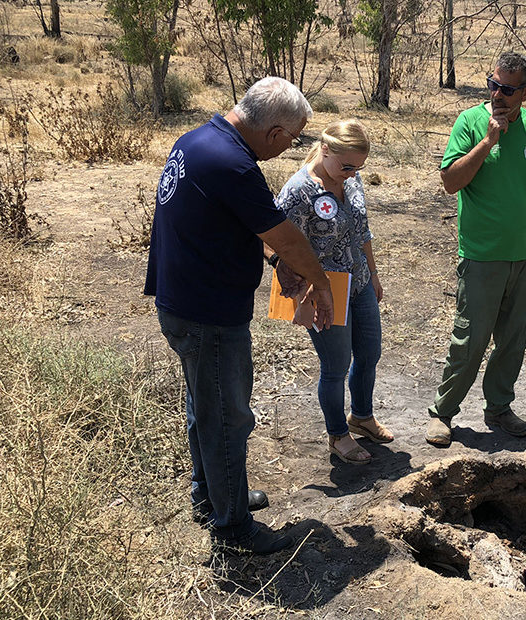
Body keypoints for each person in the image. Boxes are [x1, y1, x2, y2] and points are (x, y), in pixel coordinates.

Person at [145, 77, 334, 555]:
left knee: (203, 407)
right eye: (291, 139)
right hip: (207, 313)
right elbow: (287, 235)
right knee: (227, 417)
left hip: (183, 302)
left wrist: (274, 265)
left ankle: (212, 497)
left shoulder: (198, 142)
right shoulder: (234, 164)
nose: (289, 148)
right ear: (273, 132)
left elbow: (230, 224)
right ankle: (232, 528)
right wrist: (319, 280)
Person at [425, 51, 526, 447]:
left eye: (507, 88)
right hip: (481, 254)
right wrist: (489, 140)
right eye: (493, 84)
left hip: (523, 253)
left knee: (515, 337)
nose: (497, 94)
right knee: (470, 339)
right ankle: (442, 412)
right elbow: (450, 182)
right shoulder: (470, 122)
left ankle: (499, 408)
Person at [272, 119, 390, 466]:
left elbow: (363, 231)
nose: (352, 174)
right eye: (347, 166)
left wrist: (375, 274)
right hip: (324, 290)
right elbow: (275, 239)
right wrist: (298, 285)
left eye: (359, 168)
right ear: (325, 150)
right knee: (336, 365)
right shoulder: (299, 191)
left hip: (361, 281)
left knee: (369, 353)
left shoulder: (350, 181)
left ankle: (362, 417)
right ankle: (338, 434)